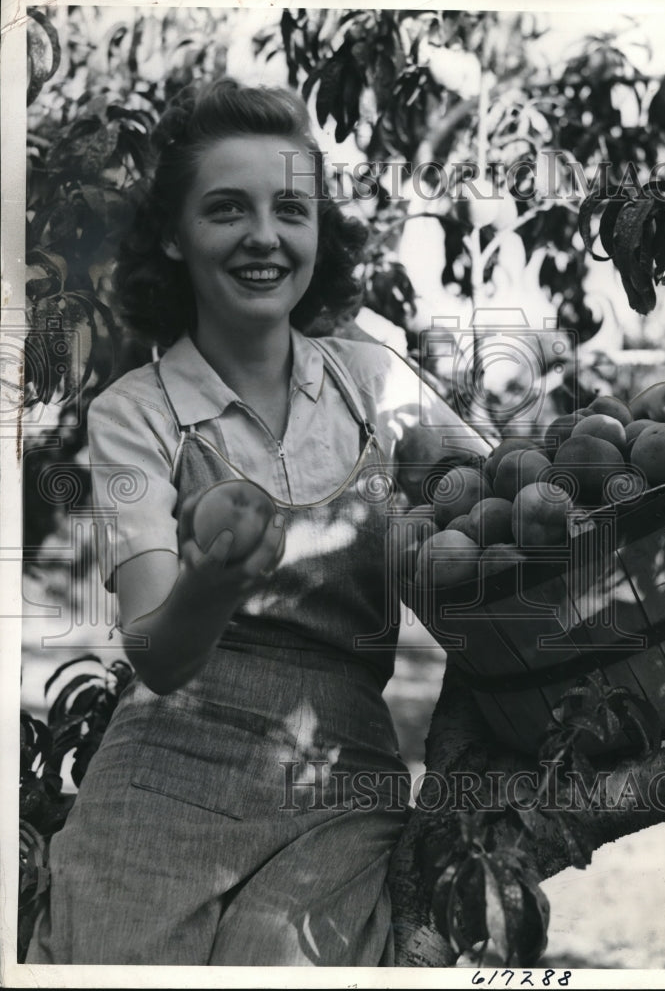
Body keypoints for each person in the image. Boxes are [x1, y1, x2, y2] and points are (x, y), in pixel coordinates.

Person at [25, 78, 490, 967]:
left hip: (337, 776)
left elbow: (499, 506)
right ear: (173, 234)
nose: (266, 237)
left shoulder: (375, 383)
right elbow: (158, 654)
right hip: (161, 769)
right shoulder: (136, 414)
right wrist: (214, 580)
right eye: (227, 209)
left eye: (291, 209)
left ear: (319, 229)